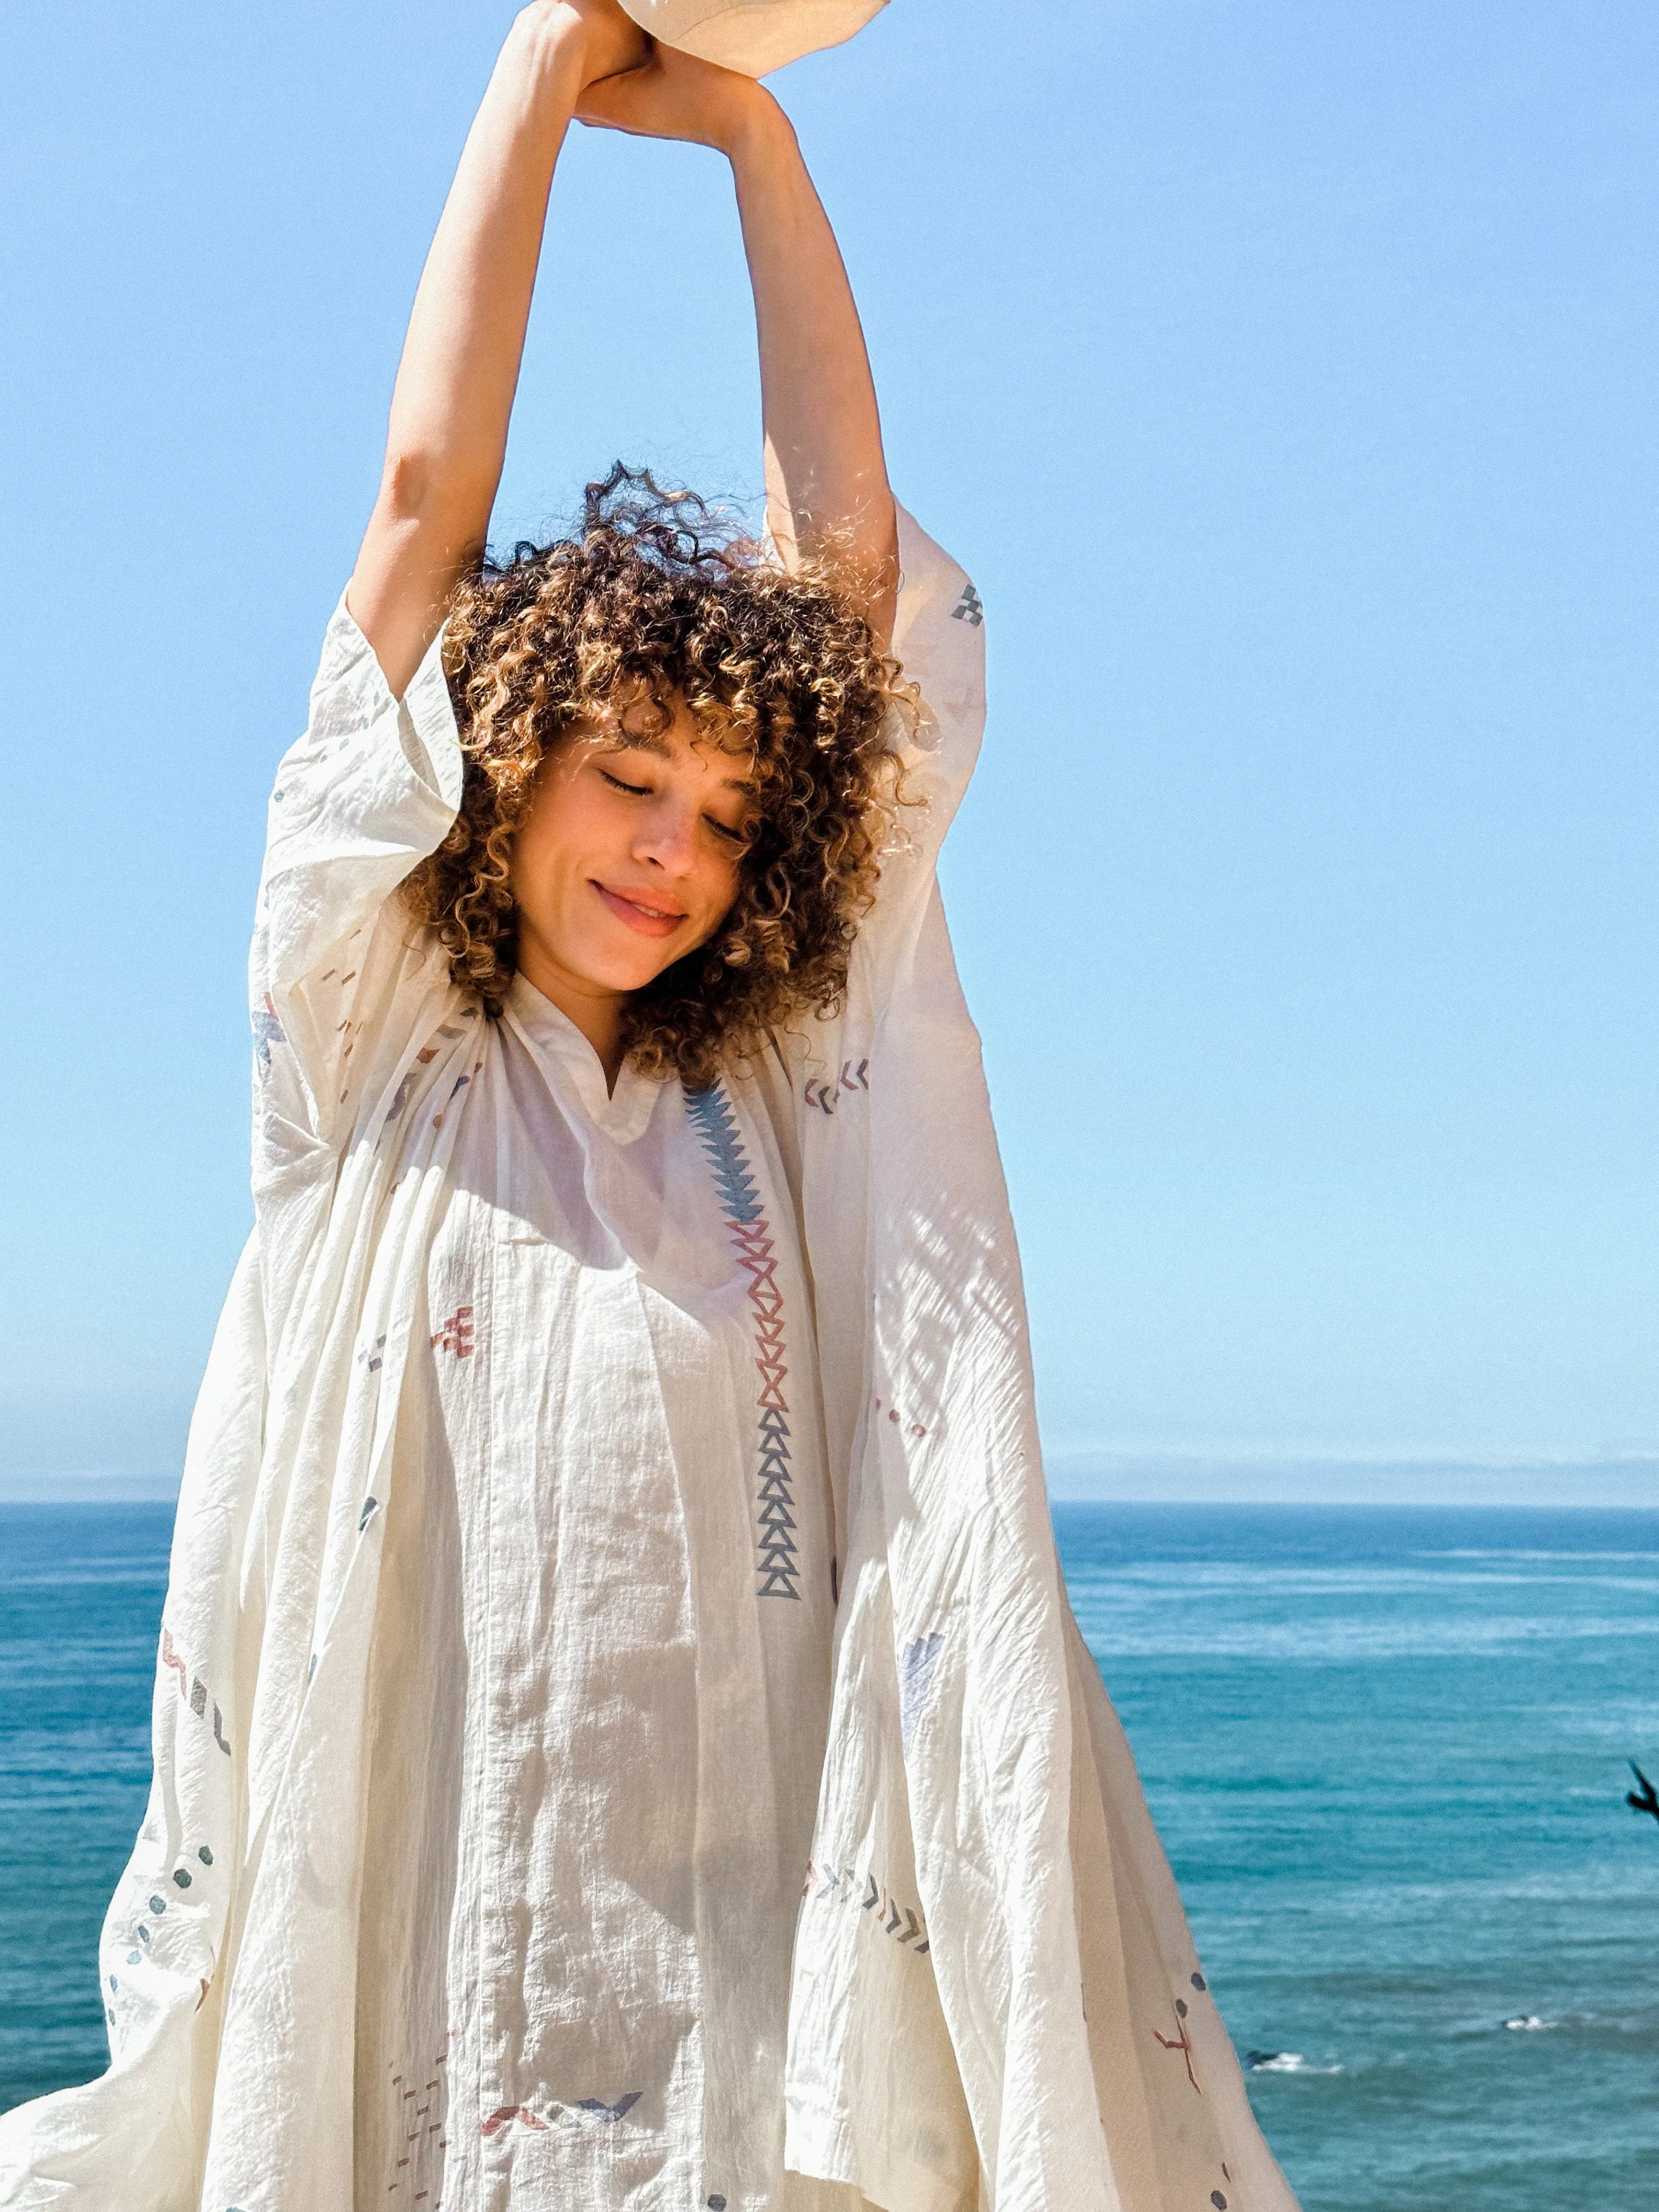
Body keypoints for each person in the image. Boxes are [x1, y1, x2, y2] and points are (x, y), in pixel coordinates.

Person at [0, 6, 1302, 2209]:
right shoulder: (375, 1027)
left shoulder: (785, 1091)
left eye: (722, 812)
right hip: (430, 1978)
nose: (671, 850)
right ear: (500, 773)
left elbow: (852, 575)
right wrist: (535, 72)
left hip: (744, 2011)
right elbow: (428, 501)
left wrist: (757, 145)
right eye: (625, 776)